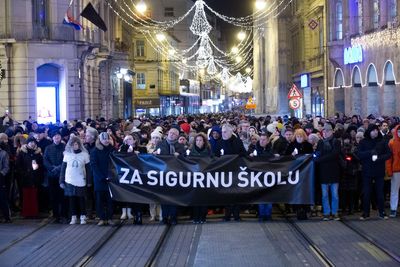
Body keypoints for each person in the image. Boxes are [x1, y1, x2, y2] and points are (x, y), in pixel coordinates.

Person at [357, 124, 391, 220]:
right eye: (373, 130)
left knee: (380, 192)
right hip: (367, 170)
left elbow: (388, 154)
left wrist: (379, 158)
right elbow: (359, 154)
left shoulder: (382, 141)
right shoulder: (363, 142)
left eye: (377, 130)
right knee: (367, 192)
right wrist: (370, 153)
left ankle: (382, 212)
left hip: (379, 170)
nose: (376, 132)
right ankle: (366, 212)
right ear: (369, 131)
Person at [155, 126, 185, 225]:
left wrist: (179, 156)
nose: (172, 135)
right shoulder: (160, 144)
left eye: (175, 134)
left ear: (177, 136)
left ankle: (173, 217)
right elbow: (156, 157)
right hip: (163, 175)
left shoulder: (180, 146)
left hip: (175, 175)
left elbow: (185, 159)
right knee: (164, 197)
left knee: (174, 197)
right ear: (168, 133)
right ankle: (164, 217)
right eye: (171, 133)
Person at [59, 136, 90, 225]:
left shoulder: (85, 155)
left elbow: (88, 169)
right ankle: (73, 216)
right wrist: (61, 181)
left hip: (81, 179)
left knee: (81, 199)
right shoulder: (67, 155)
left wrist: (89, 181)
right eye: (72, 145)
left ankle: (83, 216)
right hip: (69, 180)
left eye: (76, 144)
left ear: (79, 145)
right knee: (71, 199)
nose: (74, 146)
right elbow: (63, 168)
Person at [314, 124, 342, 221]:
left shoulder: (336, 142)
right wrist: (317, 157)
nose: (325, 133)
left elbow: (334, 154)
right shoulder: (321, 142)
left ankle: (334, 212)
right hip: (324, 171)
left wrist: (320, 159)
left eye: (327, 131)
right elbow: (318, 153)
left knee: (334, 194)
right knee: (325, 194)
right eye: (324, 131)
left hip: (334, 171)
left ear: (331, 131)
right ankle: (326, 212)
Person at [219, 124, 246, 221]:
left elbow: (244, 155)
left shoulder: (238, 142)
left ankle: (236, 214)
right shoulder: (220, 142)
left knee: (236, 193)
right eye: (222, 132)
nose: (223, 134)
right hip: (225, 172)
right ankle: (227, 214)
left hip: (236, 171)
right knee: (226, 194)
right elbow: (216, 156)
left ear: (231, 132)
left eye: (225, 132)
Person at [119, 134, 146, 224]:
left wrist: (138, 155)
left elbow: (146, 160)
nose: (127, 141)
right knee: (131, 196)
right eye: (125, 140)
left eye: (129, 139)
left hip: (139, 175)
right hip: (129, 175)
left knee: (139, 196)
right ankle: (134, 214)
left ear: (134, 140)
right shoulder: (122, 149)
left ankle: (139, 214)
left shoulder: (142, 149)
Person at [91, 132, 115, 226]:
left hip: (110, 178)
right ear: (100, 140)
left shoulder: (112, 149)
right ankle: (101, 218)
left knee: (110, 200)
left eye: (107, 139)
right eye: (104, 139)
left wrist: (111, 176)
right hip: (99, 179)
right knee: (99, 200)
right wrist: (101, 177)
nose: (105, 140)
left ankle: (109, 218)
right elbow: (94, 165)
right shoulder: (95, 151)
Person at [188, 133, 212, 223]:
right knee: (195, 199)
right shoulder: (191, 151)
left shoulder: (208, 151)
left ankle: (203, 217)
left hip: (205, 178)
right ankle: (195, 217)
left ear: (204, 141)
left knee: (203, 199)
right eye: (197, 140)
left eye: (200, 140)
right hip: (194, 178)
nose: (198, 142)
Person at [249, 132, 274, 221]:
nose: (262, 141)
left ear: (268, 141)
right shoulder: (256, 148)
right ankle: (262, 214)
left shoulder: (271, 148)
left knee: (269, 195)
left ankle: (268, 214)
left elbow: (269, 156)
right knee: (261, 196)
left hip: (269, 176)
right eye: (261, 140)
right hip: (259, 176)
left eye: (264, 140)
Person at [43, 130, 67, 223]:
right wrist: (52, 168)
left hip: (62, 175)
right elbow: (45, 160)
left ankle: (64, 215)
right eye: (55, 136)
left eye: (58, 136)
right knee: (53, 197)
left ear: (60, 137)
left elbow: (66, 160)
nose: (57, 137)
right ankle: (55, 215)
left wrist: (58, 168)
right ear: (52, 137)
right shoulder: (48, 148)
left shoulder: (64, 147)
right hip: (51, 175)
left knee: (63, 196)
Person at [16, 136, 43, 217]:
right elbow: (18, 165)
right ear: (27, 143)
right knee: (26, 195)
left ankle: (34, 212)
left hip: (35, 177)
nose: (32, 144)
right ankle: (26, 213)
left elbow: (42, 163)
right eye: (31, 142)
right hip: (25, 177)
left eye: (34, 142)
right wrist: (24, 173)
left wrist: (38, 166)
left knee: (34, 195)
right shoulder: (22, 152)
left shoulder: (38, 152)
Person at [146, 127, 163, 222]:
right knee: (151, 196)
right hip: (150, 174)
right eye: (154, 138)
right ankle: (152, 214)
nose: (155, 140)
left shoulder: (163, 147)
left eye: (157, 138)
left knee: (160, 196)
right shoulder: (147, 147)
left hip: (160, 174)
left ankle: (160, 214)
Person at [386, 125, 400, 218]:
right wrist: (389, 170)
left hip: (396, 169)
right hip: (396, 170)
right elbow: (389, 158)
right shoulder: (391, 142)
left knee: (394, 190)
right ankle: (393, 209)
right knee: (394, 190)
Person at [0, 142, 10, 222]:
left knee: (2, 198)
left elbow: (6, 167)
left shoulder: (3, 153)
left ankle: (7, 217)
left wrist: (1, 174)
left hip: (0, 178)